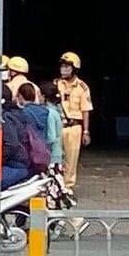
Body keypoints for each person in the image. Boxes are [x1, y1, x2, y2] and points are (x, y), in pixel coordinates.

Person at [54, 52, 93, 191]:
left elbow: (86, 110)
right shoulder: (56, 84)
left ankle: (68, 187)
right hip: (58, 125)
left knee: (71, 159)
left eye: (67, 67)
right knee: (56, 157)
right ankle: (56, 186)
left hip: (74, 127)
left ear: (74, 69)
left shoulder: (82, 87)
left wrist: (86, 131)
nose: (63, 70)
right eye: (62, 67)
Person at [0, 85, 33, 189]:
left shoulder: (6, 117)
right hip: (19, 163)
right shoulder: (16, 113)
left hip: (15, 165)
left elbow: (11, 145)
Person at [38, 81, 65, 167]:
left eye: (39, 94)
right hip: (56, 153)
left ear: (44, 96)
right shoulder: (57, 109)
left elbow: (51, 137)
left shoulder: (49, 113)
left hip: (52, 156)